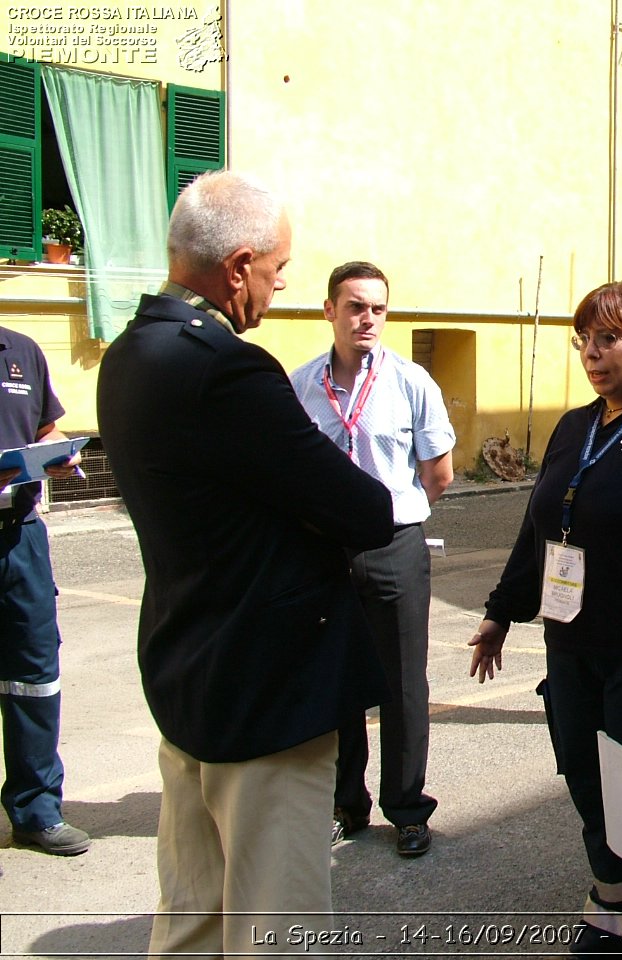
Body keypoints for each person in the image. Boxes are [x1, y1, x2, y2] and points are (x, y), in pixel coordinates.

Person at [97, 171, 394, 956]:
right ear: (237, 266)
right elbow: (362, 508)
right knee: (276, 929)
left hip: (189, 677)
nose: (281, 282)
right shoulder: (224, 368)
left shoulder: (127, 353)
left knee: (190, 921)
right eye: (276, 267)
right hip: (266, 696)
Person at [468, 281, 622, 952]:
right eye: (584, 341)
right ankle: (610, 895)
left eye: (609, 339)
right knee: (583, 777)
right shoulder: (574, 426)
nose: (592, 355)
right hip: (569, 647)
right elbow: (539, 532)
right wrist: (501, 613)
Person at [291, 262, 455, 858]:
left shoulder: (412, 382)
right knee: (337, 681)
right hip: (324, 552)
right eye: (356, 306)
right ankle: (346, 804)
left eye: (378, 309)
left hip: (394, 546)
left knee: (404, 683)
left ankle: (408, 808)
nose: (368, 319)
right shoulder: (300, 384)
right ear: (329, 310)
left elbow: (437, 474)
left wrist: (388, 515)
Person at [0, 326, 89, 857]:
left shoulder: (23, 351)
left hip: (20, 536)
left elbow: (46, 428)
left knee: (34, 674)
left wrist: (59, 452)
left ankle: (36, 811)